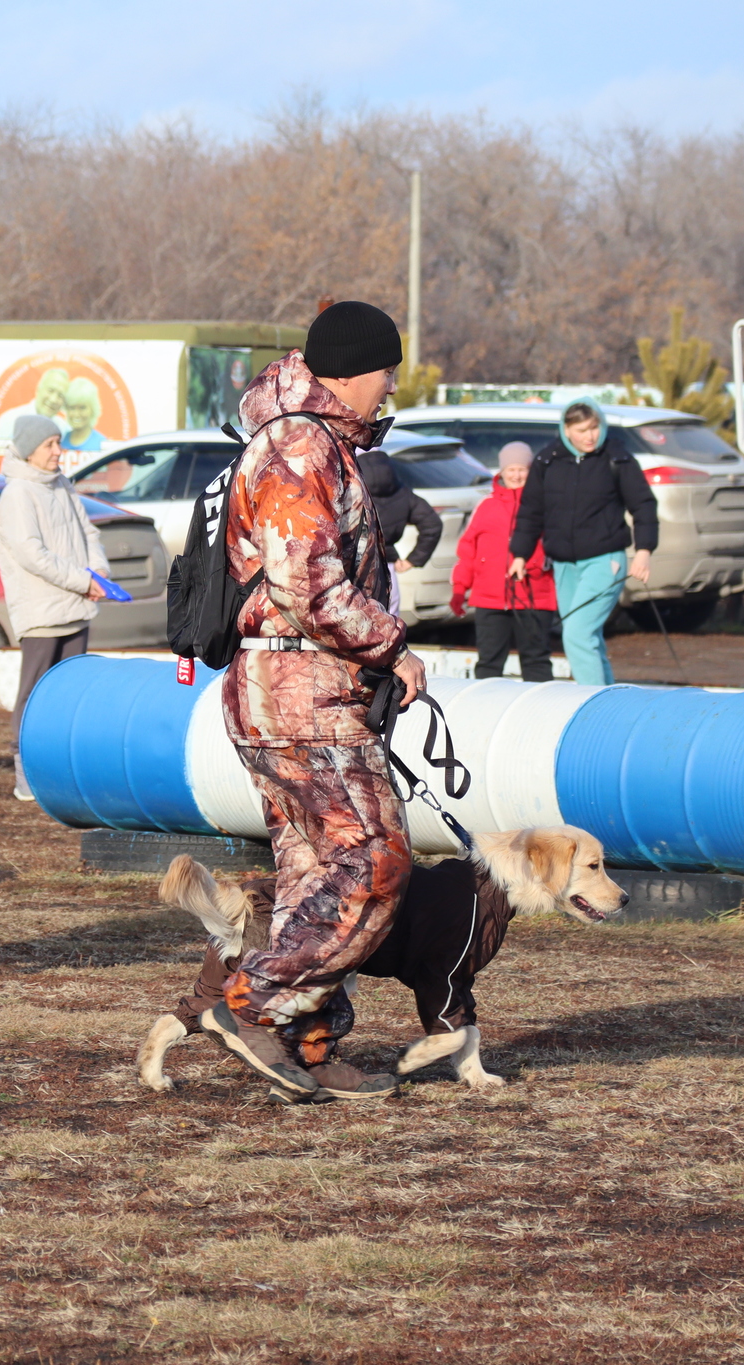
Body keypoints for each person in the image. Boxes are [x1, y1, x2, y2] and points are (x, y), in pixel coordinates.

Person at [201, 301, 427, 1102]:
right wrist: (392, 645)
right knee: (375, 860)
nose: (390, 389)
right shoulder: (301, 446)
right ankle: (255, 1005)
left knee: (312, 876)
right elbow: (307, 584)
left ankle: (308, 1043)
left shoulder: (307, 438)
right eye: (386, 373)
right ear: (354, 370)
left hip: (284, 689)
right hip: (300, 689)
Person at [0, 414, 110, 802]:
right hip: (42, 614)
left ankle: (59, 771)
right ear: (29, 450)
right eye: (49, 445)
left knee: (69, 692)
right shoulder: (18, 495)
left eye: (58, 443)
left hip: (75, 607)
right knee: (34, 693)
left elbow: (88, 532)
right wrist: (83, 580)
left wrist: (99, 573)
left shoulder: (61, 484)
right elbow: (32, 555)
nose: (58, 451)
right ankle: (24, 769)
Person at [507, 398, 658, 687]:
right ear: (566, 430)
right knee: (588, 637)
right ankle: (611, 699)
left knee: (577, 634)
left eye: (593, 427)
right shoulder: (547, 460)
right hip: (564, 565)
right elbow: (531, 510)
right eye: (581, 430)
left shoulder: (617, 457)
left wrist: (644, 551)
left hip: (606, 560)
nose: (589, 436)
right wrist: (520, 554)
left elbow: (643, 506)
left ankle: (591, 703)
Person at [451, 442, 558, 680]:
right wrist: (460, 589)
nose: (516, 475)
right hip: (490, 598)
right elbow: (468, 550)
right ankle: (484, 711)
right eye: (511, 469)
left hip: (533, 595)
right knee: (489, 662)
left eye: (522, 469)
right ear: (502, 471)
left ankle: (541, 711)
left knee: (536, 661)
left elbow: (555, 544)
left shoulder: (545, 504)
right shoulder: (487, 505)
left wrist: (536, 563)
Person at [356, 448, 442, 615]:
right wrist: (413, 559)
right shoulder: (401, 491)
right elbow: (432, 524)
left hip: (351, 565)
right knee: (389, 619)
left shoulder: (349, 487)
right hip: (386, 565)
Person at [59, 377, 107, 454]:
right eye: (72, 408)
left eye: (82, 408)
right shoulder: (61, 441)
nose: (76, 414)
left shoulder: (102, 444)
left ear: (93, 409)